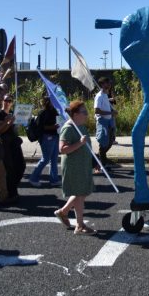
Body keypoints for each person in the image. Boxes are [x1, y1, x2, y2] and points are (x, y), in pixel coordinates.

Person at [55, 100, 97, 234]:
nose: (87, 114)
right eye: (84, 112)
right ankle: (79, 225)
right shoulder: (68, 128)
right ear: (75, 114)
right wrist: (79, 143)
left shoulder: (81, 127)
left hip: (83, 165)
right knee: (79, 194)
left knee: (81, 193)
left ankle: (63, 211)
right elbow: (62, 149)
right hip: (74, 167)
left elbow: (87, 146)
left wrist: (94, 162)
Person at [0, 94, 25, 200]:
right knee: (9, 169)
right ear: (2, 101)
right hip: (5, 144)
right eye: (6, 100)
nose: (8, 103)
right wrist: (9, 123)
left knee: (21, 166)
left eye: (10, 101)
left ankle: (13, 188)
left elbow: (15, 130)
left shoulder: (13, 113)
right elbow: (0, 131)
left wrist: (20, 122)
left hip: (14, 142)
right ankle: (11, 192)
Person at [29, 96, 61, 187]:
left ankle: (54, 179)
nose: (54, 102)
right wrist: (53, 127)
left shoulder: (55, 111)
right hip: (46, 137)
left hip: (55, 136)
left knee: (54, 159)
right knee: (46, 159)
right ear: (47, 102)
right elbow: (40, 127)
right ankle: (33, 178)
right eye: (52, 101)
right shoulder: (43, 112)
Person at [94, 77, 117, 169]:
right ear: (102, 85)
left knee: (110, 141)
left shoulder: (105, 95)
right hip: (102, 122)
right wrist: (111, 113)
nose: (109, 85)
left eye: (109, 83)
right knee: (104, 143)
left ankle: (99, 157)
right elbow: (97, 111)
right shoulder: (99, 96)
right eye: (107, 83)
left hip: (109, 121)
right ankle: (103, 164)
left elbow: (106, 105)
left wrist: (111, 111)